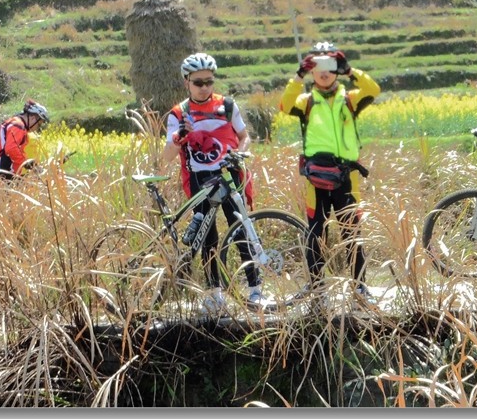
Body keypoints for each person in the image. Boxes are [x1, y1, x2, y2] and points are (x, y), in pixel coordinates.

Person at [159, 52, 262, 312]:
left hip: (229, 175)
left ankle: (255, 289)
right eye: (198, 82)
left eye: (209, 81)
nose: (204, 87)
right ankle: (214, 293)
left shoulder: (227, 106)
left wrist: (240, 152)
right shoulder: (178, 113)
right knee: (208, 236)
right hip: (199, 179)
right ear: (186, 82)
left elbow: (244, 136)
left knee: (239, 228)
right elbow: (167, 157)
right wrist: (178, 135)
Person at [279, 41, 380, 302]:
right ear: (312, 72)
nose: (324, 72)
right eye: (318, 66)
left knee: (352, 232)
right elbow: (284, 104)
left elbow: (373, 89)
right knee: (316, 232)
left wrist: (350, 70)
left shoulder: (350, 99)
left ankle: (359, 287)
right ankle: (318, 288)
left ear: (336, 69)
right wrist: (297, 75)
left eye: (330, 66)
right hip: (316, 178)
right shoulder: (305, 102)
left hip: (347, 177)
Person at [0, 100, 50, 177]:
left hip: (3, 171)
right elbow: (11, 149)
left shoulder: (15, 122)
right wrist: (26, 163)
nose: (37, 128)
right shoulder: (18, 126)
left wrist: (30, 164)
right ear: (32, 118)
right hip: (2, 172)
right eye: (39, 124)